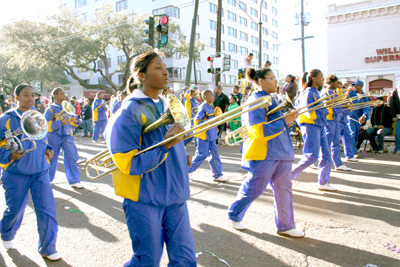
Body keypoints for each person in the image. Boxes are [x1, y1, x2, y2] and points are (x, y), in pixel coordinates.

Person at [104, 50, 196, 266]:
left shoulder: (166, 105)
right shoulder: (129, 111)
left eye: (164, 68)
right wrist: (165, 147)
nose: (166, 72)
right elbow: (129, 163)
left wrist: (180, 156)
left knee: (185, 260)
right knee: (147, 261)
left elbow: (170, 144)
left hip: (175, 195)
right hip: (144, 198)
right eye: (158, 68)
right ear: (141, 75)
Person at [227, 67, 304, 237]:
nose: (276, 81)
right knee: (254, 188)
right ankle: (234, 214)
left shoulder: (272, 99)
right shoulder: (255, 100)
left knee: (284, 190)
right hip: (264, 153)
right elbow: (258, 131)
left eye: (276, 78)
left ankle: (286, 225)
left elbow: (277, 124)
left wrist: (288, 120)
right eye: (271, 78)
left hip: (282, 151)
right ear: (261, 81)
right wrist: (286, 121)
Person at [0, 84, 60, 260]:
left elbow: (43, 138)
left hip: (41, 171)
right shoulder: (6, 119)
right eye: (26, 95)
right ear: (16, 97)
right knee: (15, 210)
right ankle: (6, 233)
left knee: (47, 210)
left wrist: (48, 149)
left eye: (33, 95)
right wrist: (8, 154)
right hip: (15, 173)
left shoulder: (38, 116)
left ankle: (48, 248)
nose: (30, 98)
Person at [292, 70, 337, 191]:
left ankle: (323, 182)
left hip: (320, 125)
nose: (323, 79)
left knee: (326, 155)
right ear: (313, 78)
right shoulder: (308, 92)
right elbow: (308, 111)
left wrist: (324, 110)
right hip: (311, 126)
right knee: (311, 156)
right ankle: (287, 177)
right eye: (321, 77)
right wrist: (324, 111)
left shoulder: (315, 92)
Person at [44, 88, 84, 189]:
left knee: (71, 158)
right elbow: (45, 125)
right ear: (55, 96)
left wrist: (76, 121)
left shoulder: (67, 107)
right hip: (54, 136)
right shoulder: (50, 109)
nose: (64, 95)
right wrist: (60, 123)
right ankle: (47, 180)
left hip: (67, 136)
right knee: (52, 158)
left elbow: (75, 119)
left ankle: (74, 180)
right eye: (61, 94)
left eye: (64, 93)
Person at [188, 90, 226, 182]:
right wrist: (210, 124)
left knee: (214, 155)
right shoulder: (202, 107)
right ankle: (187, 171)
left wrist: (215, 127)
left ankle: (217, 174)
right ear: (206, 97)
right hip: (203, 135)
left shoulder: (210, 107)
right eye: (211, 96)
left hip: (211, 135)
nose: (213, 97)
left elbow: (212, 119)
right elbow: (197, 121)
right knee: (202, 154)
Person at [321, 75, 351, 171]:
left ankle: (338, 163)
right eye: (336, 82)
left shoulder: (335, 92)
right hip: (329, 119)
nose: (338, 84)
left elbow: (339, 104)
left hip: (336, 119)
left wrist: (346, 105)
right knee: (327, 142)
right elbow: (323, 104)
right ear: (332, 82)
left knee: (336, 142)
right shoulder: (325, 92)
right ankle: (323, 162)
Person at [347, 80, 370, 160]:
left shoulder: (365, 97)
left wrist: (364, 115)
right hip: (350, 117)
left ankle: (352, 150)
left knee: (356, 134)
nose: (355, 87)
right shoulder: (351, 94)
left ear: (361, 86)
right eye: (354, 86)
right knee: (352, 133)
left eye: (356, 86)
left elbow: (366, 108)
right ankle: (352, 152)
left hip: (358, 119)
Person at [389, 85, 400, 155]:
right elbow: (392, 103)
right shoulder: (395, 91)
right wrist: (393, 115)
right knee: (398, 134)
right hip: (398, 116)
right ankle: (398, 148)